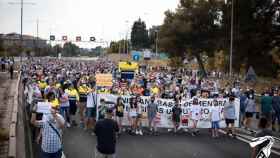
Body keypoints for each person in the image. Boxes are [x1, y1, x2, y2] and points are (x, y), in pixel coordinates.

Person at [31, 92, 65, 158]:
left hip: (57, 149)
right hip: (45, 150)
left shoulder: (60, 117)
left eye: (54, 108)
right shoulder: (45, 117)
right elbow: (33, 122)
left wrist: (55, 115)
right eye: (51, 108)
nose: (52, 110)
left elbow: (62, 126)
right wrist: (34, 112)